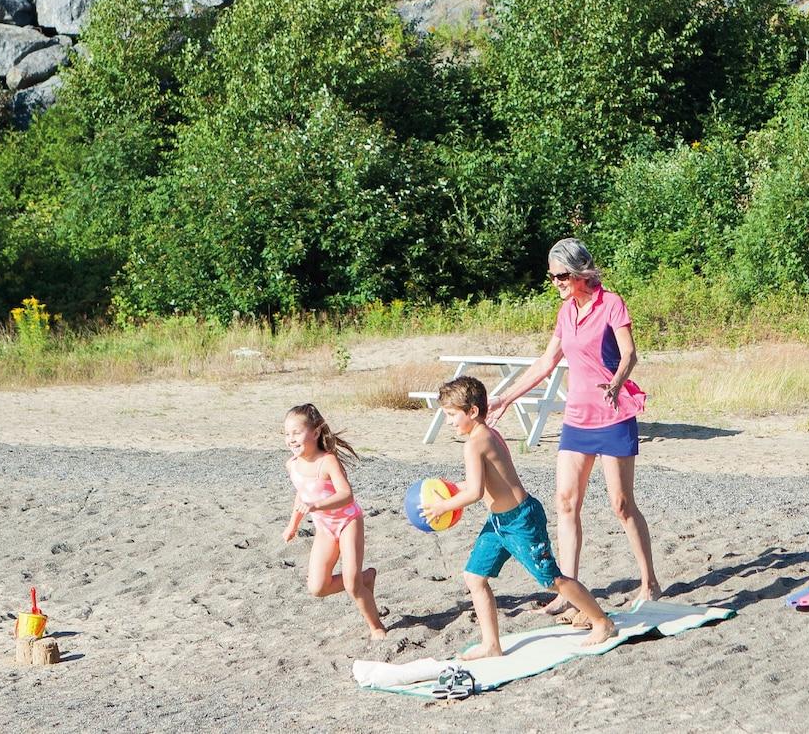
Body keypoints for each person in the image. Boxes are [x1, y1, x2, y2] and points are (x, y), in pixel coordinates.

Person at [489, 237, 661, 618]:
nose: (557, 283)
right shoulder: (566, 312)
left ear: (581, 271)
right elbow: (547, 361)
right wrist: (506, 397)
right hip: (577, 419)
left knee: (621, 504)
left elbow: (630, 352)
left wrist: (617, 382)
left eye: (562, 275)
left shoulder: (611, 303)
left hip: (614, 414)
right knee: (565, 503)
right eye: (552, 277)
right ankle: (569, 589)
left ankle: (649, 581)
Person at [421, 376, 617, 659]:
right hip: (499, 522)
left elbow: (475, 492)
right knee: (474, 577)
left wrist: (444, 507)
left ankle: (601, 621)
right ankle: (492, 645)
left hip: (520, 521)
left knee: (551, 580)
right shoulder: (488, 434)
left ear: (472, 411)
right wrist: (449, 491)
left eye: (452, 415)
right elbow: (485, 483)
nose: (449, 422)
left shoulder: (474, 444)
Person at [279, 403, 387, 638]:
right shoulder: (292, 465)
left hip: (348, 521)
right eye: (287, 434)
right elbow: (302, 494)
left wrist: (315, 505)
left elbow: (346, 495)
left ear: (315, 433)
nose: (291, 439)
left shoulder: (327, 461)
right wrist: (293, 525)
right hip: (324, 528)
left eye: (297, 432)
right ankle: (367, 577)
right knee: (317, 587)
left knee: (351, 583)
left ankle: (376, 627)